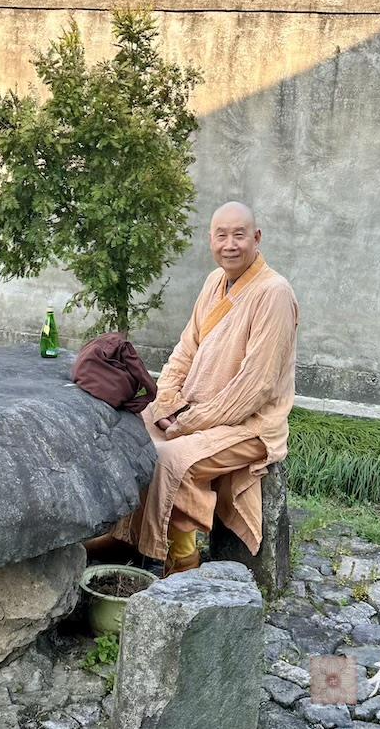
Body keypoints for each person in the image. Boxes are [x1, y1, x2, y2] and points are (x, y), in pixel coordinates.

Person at [86, 201, 299, 576]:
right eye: (221, 235)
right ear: (210, 240)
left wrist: (186, 423)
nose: (229, 244)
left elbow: (256, 386)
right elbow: (186, 348)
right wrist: (165, 400)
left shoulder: (274, 293)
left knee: (171, 459)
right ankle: (124, 534)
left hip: (248, 425)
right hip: (193, 410)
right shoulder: (214, 282)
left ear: (257, 238)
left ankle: (171, 557)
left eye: (239, 235)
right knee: (131, 430)